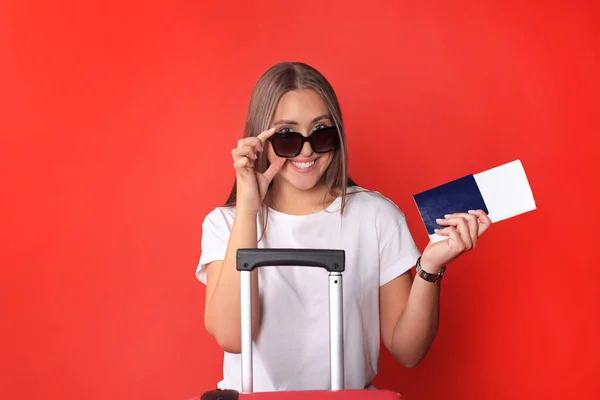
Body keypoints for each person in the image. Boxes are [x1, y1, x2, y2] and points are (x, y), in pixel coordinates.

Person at [196, 61, 492, 392]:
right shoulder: (225, 224)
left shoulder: (375, 215)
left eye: (321, 132)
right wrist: (249, 210)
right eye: (286, 136)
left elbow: (408, 350)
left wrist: (430, 268)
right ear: (259, 140)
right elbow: (232, 336)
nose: (306, 149)